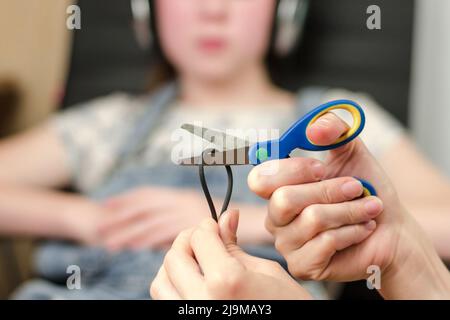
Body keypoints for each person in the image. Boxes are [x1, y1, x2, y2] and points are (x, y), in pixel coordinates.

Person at [1, 0, 448, 298]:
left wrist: (264, 222)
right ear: (148, 11)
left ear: (284, 10)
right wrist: (85, 217)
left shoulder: (331, 123)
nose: (213, 9)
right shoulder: (113, 123)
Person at [151, 116, 450, 300]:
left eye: (240, 5)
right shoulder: (107, 123)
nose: (213, 10)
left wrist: (399, 248)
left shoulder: (333, 116)